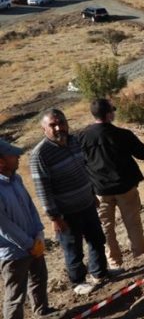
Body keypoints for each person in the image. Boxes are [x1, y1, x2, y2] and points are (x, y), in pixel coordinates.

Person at [30, 109, 110, 296]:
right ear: (44, 129)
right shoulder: (40, 154)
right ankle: (78, 282)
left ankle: (100, 273)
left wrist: (91, 194)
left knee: (97, 239)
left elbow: (84, 170)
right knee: (73, 248)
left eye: (62, 123)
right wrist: (54, 217)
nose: (59, 128)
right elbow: (43, 190)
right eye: (53, 125)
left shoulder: (74, 141)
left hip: (87, 203)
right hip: (65, 212)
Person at [78, 98, 144, 271]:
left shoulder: (81, 137)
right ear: (110, 114)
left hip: (99, 190)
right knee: (133, 223)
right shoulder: (123, 134)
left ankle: (114, 263)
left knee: (106, 228)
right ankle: (141, 257)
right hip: (125, 188)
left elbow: (78, 163)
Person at [1, 139, 60, 319]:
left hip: (33, 243)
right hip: (13, 252)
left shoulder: (16, 179)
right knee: (16, 293)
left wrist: (39, 233)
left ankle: (42, 311)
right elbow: (4, 227)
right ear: (1, 162)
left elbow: (30, 207)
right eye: (12, 155)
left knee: (39, 278)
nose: (18, 157)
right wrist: (28, 244)